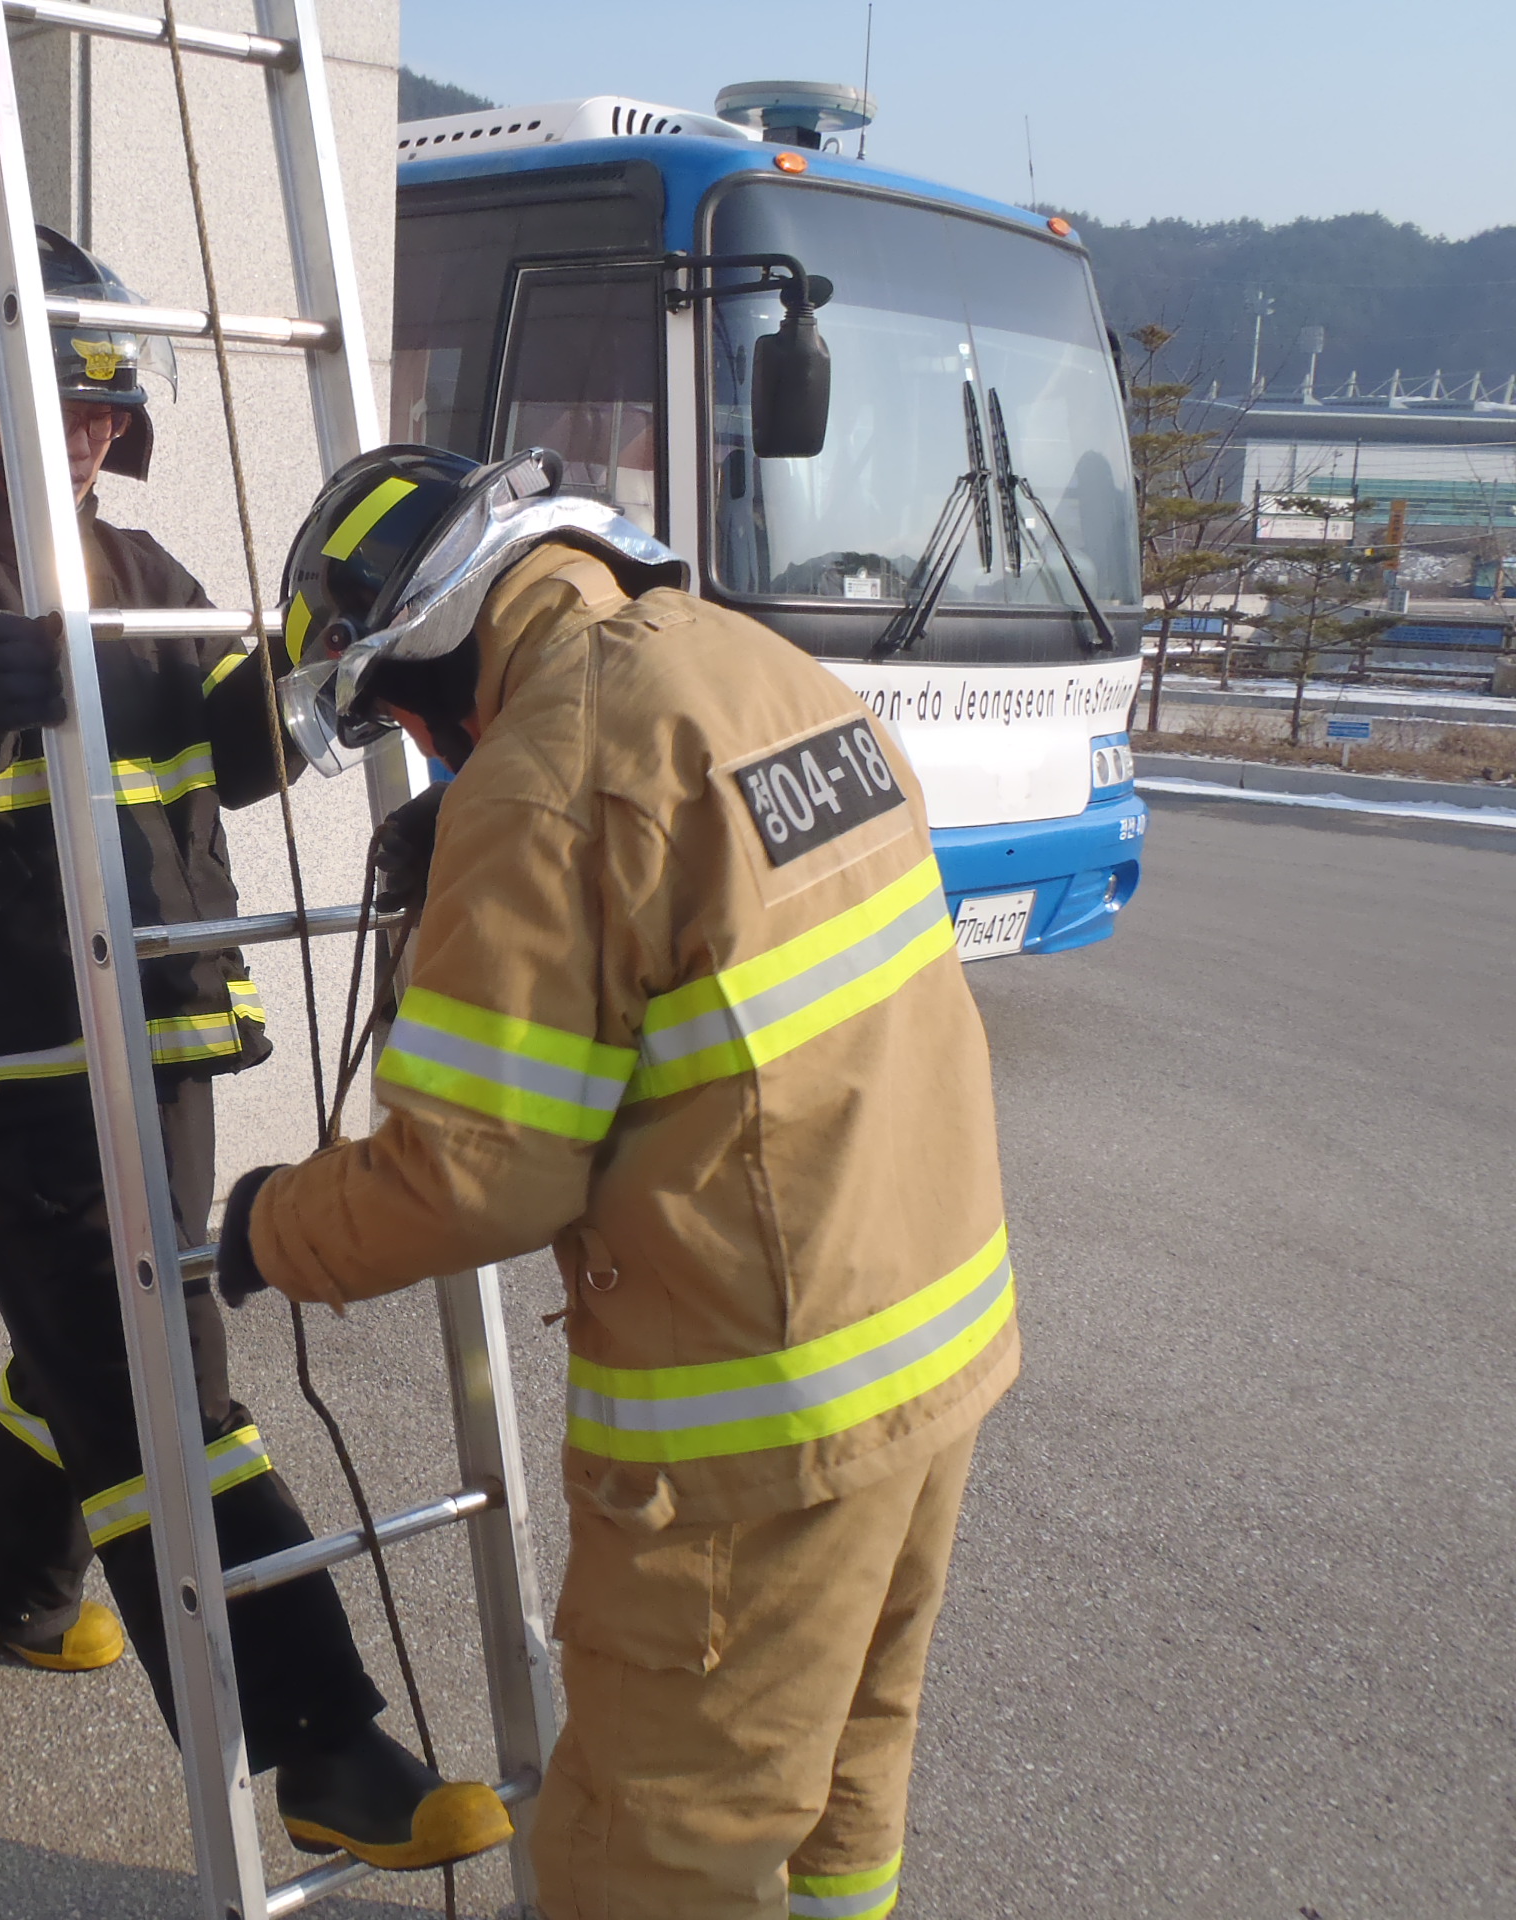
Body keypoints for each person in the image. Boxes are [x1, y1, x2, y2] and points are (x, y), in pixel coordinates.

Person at [0, 229, 509, 1872]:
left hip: (166, 1022)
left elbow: (235, 746)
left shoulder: (146, 574)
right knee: (164, 1379)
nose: (92, 438)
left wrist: (341, 668)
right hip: (7, 1054)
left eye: (110, 413)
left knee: (97, 1343)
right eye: (61, 407)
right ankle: (321, 1745)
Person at [216, 445, 1020, 1920]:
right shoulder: (758, 668)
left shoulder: (547, 776)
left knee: (656, 1844)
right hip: (932, 1342)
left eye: (399, 715)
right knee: (842, 1761)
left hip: (758, 1421)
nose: (424, 749)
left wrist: (273, 1225)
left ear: (434, 657)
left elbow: (474, 1177)